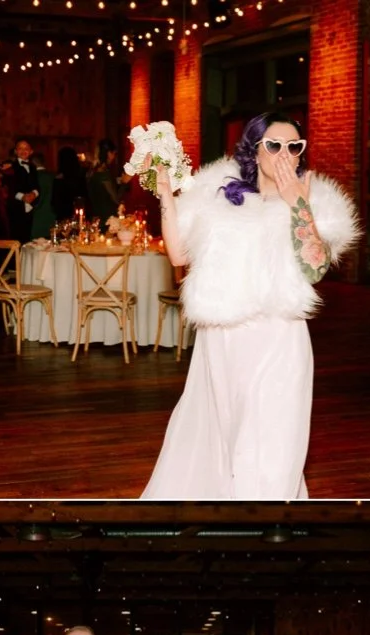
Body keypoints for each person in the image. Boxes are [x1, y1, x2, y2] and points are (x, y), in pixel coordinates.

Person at [142, 113, 359, 500]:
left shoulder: (314, 197)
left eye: (295, 146)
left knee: (272, 441)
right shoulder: (218, 193)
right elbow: (177, 252)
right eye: (274, 145)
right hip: (221, 340)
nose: (284, 154)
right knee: (220, 436)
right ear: (254, 150)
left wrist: (299, 208)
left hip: (278, 336)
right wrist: (164, 192)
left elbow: (314, 268)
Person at [5, 138, 41, 243]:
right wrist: (23, 197)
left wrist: (34, 194)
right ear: (15, 151)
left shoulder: (33, 167)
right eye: (20, 148)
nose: (23, 151)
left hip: (30, 208)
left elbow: (37, 186)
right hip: (16, 208)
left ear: (31, 151)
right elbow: (10, 187)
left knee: (27, 239)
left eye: (26, 149)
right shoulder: (11, 167)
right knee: (16, 239)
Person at [87, 139, 122, 221]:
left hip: (95, 216)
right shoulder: (103, 174)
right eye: (114, 154)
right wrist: (124, 183)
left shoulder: (92, 171)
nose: (114, 157)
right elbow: (116, 199)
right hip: (107, 219)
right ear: (109, 153)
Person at [52, 147, 88, 221]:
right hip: (80, 213)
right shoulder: (81, 176)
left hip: (64, 215)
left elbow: (55, 201)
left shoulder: (59, 179)